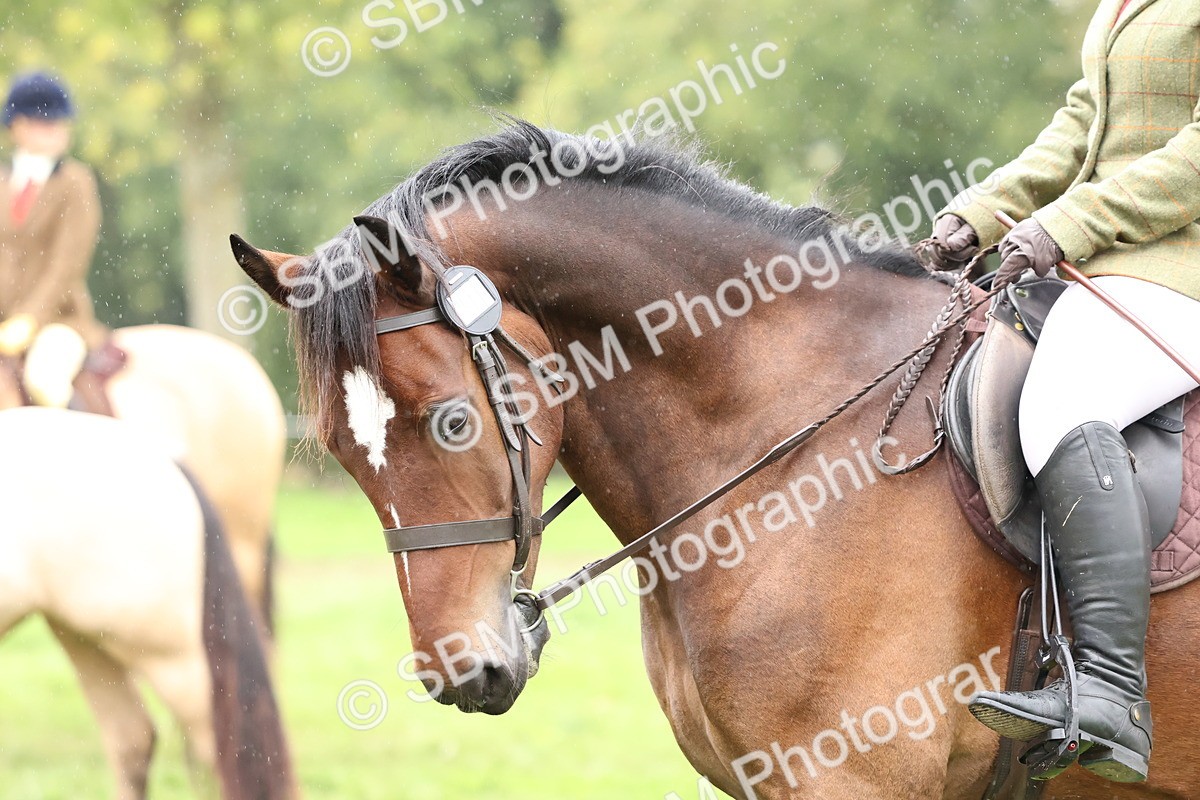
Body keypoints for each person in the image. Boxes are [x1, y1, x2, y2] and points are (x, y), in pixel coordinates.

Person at [930, 0, 1200, 784]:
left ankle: (1113, 693)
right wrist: (979, 214)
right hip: (1108, 269)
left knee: (1063, 399)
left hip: (1178, 274)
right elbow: (1086, 120)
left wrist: (1066, 226)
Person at [0, 72, 103, 408]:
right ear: (18, 126)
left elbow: (66, 264)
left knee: (43, 381)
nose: (58, 131)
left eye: (61, 123)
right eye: (45, 123)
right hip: (3, 323)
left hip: (58, 321)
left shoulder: (75, 183)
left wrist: (30, 319)